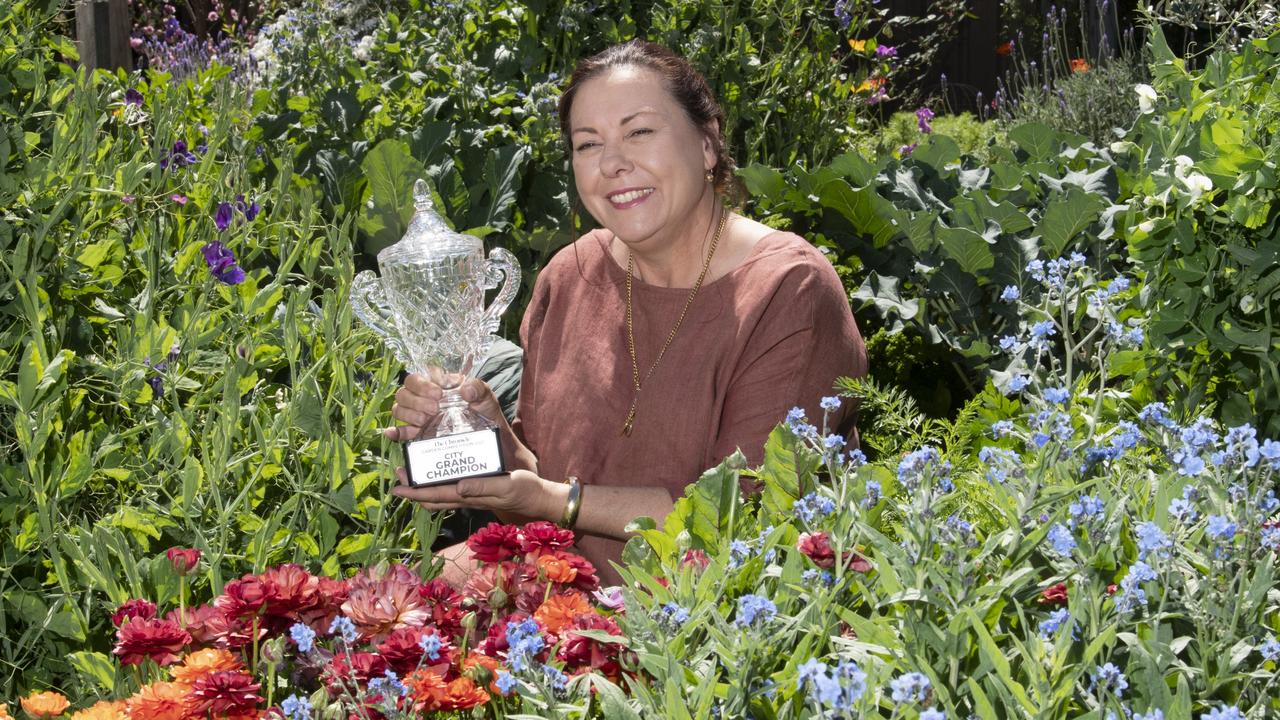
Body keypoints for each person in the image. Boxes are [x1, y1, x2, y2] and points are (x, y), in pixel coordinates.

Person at [385, 39, 868, 587]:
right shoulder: (568, 277)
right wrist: (491, 443)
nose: (612, 163)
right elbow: (540, 498)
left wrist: (552, 500)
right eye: (587, 144)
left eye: (639, 132)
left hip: (710, 625)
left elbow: (744, 519)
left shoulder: (788, 290)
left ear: (708, 143)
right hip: (553, 598)